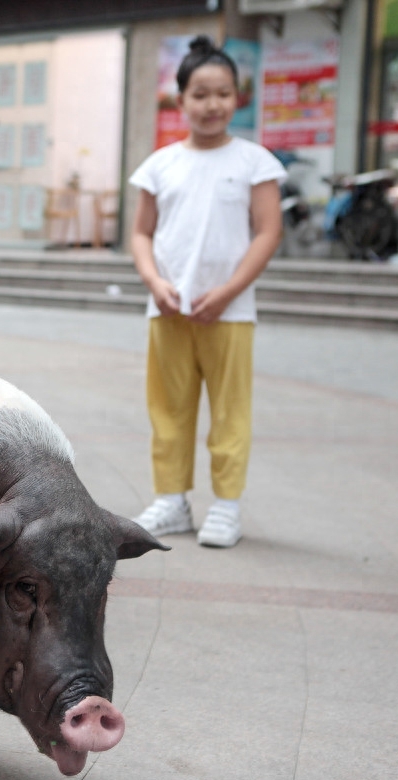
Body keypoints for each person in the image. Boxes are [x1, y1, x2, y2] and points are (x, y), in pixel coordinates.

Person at [128, 36, 284, 549]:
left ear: (238, 97)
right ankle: (170, 500)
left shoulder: (255, 161)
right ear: (181, 101)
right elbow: (142, 233)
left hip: (230, 311)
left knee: (230, 411)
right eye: (200, 94)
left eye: (223, 93)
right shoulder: (160, 165)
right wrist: (155, 281)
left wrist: (229, 290)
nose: (212, 104)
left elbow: (267, 231)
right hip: (168, 307)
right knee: (168, 408)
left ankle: (226, 505)